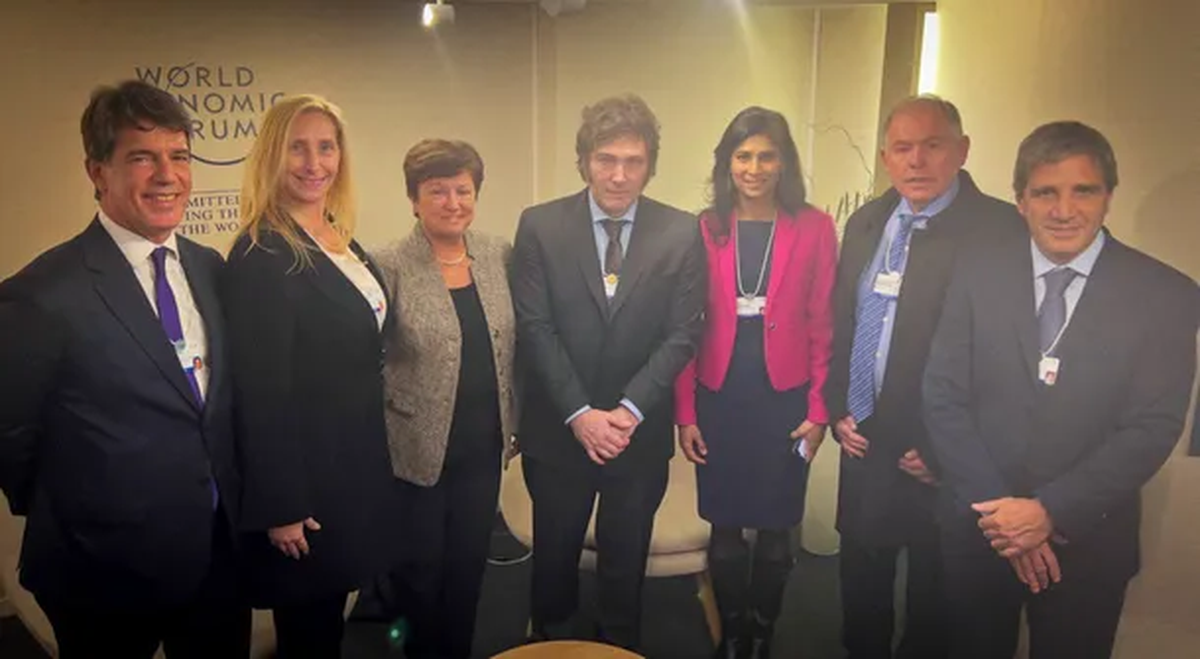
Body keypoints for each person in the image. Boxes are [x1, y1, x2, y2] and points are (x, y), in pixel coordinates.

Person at [923, 120, 1198, 659]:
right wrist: (1005, 519)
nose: (1064, 210)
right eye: (1046, 192)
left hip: (1089, 541)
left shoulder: (1166, 295)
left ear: (1109, 197)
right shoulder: (976, 274)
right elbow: (942, 394)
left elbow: (1152, 426)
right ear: (1020, 200)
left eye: (1083, 191)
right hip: (981, 532)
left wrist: (1049, 511)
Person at [0, 80, 249, 657]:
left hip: (216, 560)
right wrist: (87, 507)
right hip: (100, 573)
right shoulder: (40, 294)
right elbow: (11, 437)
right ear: (98, 171)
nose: (167, 175)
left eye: (179, 156)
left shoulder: (210, 269)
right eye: (142, 157)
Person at [822, 95, 1022, 659]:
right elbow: (843, 319)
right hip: (866, 437)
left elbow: (1005, 355)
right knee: (861, 581)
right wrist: (839, 406)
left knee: (935, 599)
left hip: (939, 455)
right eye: (902, 148)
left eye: (932, 146)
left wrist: (942, 447)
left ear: (962, 150)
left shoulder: (1000, 231)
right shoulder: (867, 221)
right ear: (886, 156)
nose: (916, 161)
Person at [511, 93, 706, 651]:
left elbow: (682, 333)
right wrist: (580, 414)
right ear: (584, 162)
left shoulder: (680, 231)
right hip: (559, 434)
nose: (619, 175)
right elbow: (535, 326)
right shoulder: (541, 225)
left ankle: (619, 646)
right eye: (606, 160)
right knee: (553, 566)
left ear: (650, 165)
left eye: (633, 161)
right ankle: (550, 643)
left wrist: (627, 412)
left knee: (625, 571)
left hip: (635, 436)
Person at [222, 94, 400, 658]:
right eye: (296, 148)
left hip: (350, 471)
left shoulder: (338, 236)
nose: (314, 163)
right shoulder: (261, 254)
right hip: (304, 491)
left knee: (330, 626)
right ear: (271, 156)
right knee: (309, 636)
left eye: (326, 147)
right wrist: (281, 507)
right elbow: (261, 391)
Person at [674, 106, 836, 658]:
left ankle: (763, 632)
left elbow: (822, 323)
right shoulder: (704, 228)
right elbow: (686, 327)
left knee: (775, 528)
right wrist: (686, 413)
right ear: (727, 162)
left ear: (784, 162)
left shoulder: (814, 227)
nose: (754, 168)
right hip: (719, 395)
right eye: (743, 156)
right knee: (723, 527)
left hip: (784, 398)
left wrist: (819, 411)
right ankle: (731, 632)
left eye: (767, 156)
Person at [372, 138, 517, 659]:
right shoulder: (387, 263)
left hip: (483, 449)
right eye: (437, 191)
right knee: (419, 577)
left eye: (463, 190)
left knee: (466, 572)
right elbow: (369, 359)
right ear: (414, 199)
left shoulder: (498, 255)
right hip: (415, 455)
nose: (453, 202)